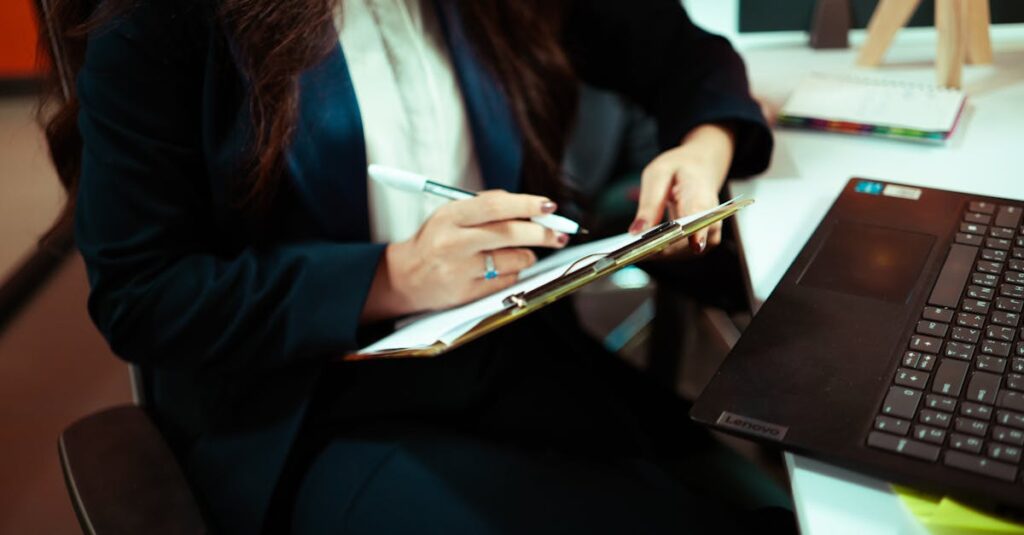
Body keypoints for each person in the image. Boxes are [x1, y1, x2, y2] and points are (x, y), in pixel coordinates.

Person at [41, 0, 789, 532]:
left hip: (513, 353)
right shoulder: (163, 20)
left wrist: (701, 149)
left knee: (774, 514)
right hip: (309, 410)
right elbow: (142, 293)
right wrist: (394, 274)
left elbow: (680, 52)